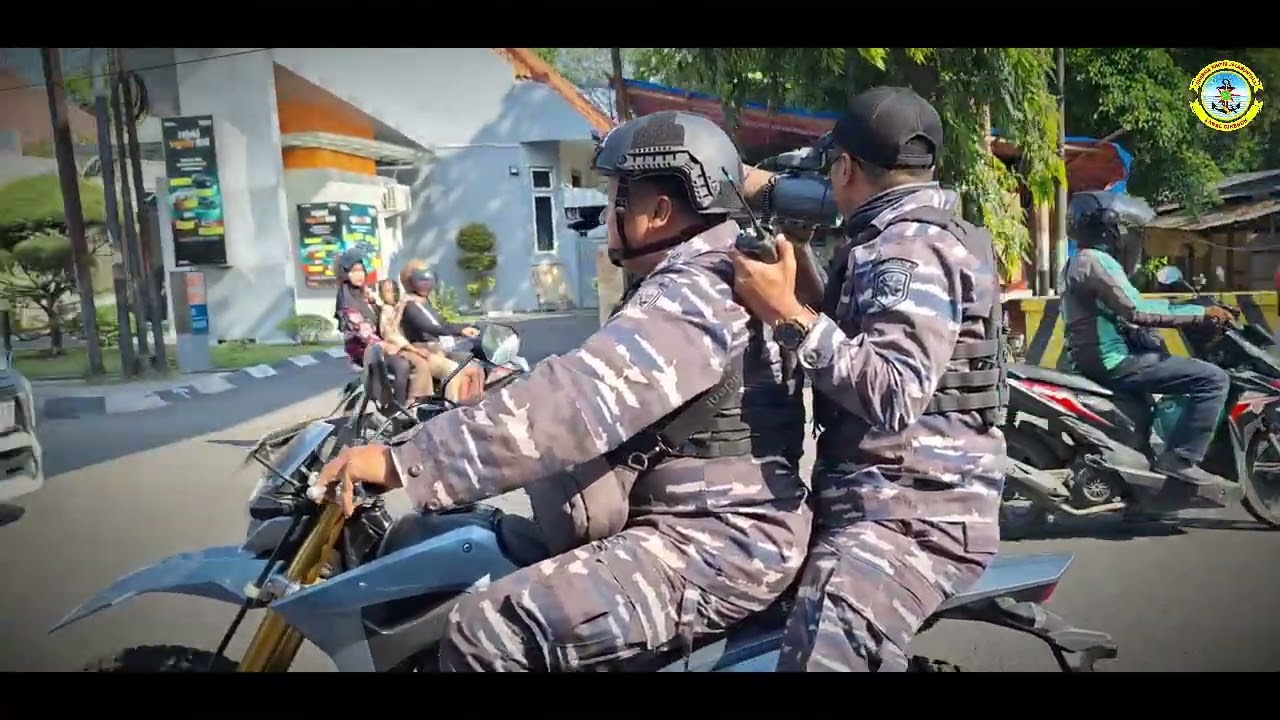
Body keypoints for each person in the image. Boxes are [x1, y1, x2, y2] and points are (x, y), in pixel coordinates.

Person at [312, 110, 811, 672]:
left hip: (717, 542)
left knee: (488, 628)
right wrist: (496, 388)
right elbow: (609, 375)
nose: (604, 216)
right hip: (701, 521)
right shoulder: (722, 266)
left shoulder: (694, 289)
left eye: (615, 194)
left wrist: (404, 461)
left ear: (657, 212)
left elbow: (573, 400)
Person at [732, 86, 1006, 672]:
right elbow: (847, 337)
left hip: (911, 516)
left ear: (847, 166)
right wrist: (796, 258)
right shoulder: (893, 237)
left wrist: (784, 313)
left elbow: (893, 390)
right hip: (882, 502)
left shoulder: (908, 249)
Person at [1060, 190, 1234, 486]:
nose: (1126, 236)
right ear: (1107, 228)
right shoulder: (1096, 261)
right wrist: (1200, 314)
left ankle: (1141, 489)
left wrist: (1184, 309)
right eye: (1122, 228)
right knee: (1214, 379)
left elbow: (1117, 311)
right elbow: (1137, 310)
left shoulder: (1078, 261)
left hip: (1092, 358)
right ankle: (1181, 459)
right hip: (1114, 361)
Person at [333, 249, 415, 409]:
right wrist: (385, 346)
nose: (359, 275)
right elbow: (362, 331)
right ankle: (397, 410)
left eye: (361, 271)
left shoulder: (365, 293)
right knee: (402, 365)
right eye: (353, 271)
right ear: (345, 273)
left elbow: (383, 311)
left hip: (378, 345)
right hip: (364, 350)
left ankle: (414, 402)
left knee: (417, 358)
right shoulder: (345, 298)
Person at [397, 262, 486, 404]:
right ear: (410, 282)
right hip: (423, 351)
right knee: (453, 371)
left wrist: (466, 327)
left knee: (476, 367)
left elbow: (443, 323)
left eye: (429, 278)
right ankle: (449, 414)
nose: (427, 283)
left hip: (438, 349)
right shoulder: (410, 305)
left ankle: (475, 406)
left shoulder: (426, 302)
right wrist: (460, 331)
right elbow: (432, 327)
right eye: (422, 278)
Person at [374, 278, 436, 403]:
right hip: (397, 349)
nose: (391, 294)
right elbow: (391, 333)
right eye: (387, 291)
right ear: (381, 294)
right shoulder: (386, 310)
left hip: (404, 345)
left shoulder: (394, 307)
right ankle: (412, 400)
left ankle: (426, 397)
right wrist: (415, 350)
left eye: (393, 291)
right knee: (421, 364)